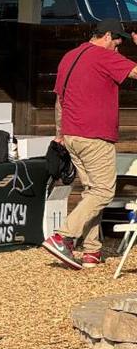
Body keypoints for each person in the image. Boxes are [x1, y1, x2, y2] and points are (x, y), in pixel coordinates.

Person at [42, 18, 137, 270]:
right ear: (107, 36)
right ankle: (62, 237)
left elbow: (60, 101)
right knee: (103, 191)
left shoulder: (69, 56)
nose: (119, 49)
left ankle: (91, 251)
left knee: (90, 192)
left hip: (72, 135)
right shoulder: (103, 56)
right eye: (117, 42)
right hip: (95, 136)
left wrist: (60, 134)